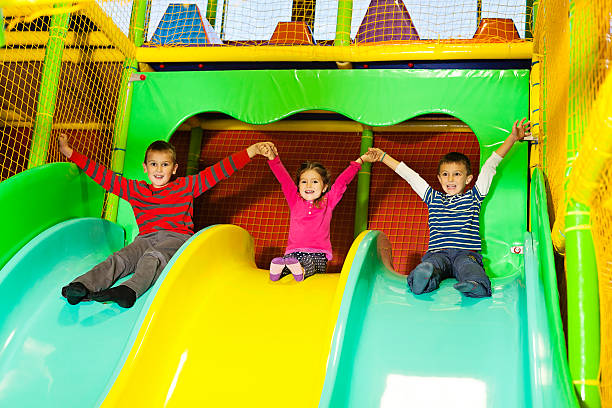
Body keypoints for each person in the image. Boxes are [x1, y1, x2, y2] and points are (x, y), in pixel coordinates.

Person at [58, 134, 276, 307]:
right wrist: (70, 153)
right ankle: (82, 285)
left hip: (176, 239)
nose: (159, 170)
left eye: (164, 165)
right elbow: (103, 176)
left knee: (154, 257)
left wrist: (252, 150)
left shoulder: (186, 186)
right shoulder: (136, 190)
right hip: (145, 238)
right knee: (120, 258)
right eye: (153, 164)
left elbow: (219, 171)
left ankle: (129, 290)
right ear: (145, 167)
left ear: (174, 168)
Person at [368, 118, 531, 298]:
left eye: (457, 174)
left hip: (466, 254)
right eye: (445, 174)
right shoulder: (433, 197)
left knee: (469, 268)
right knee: (431, 266)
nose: (450, 179)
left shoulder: (474, 196)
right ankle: (421, 280)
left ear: (468, 179)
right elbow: (410, 176)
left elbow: (489, 166)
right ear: (439, 178)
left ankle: (475, 285)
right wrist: (383, 157)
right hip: (439, 254)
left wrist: (512, 139)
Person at [266, 146, 378, 282]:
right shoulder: (294, 200)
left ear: (324, 187)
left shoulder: (328, 201)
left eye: (314, 181)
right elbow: (284, 179)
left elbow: (342, 182)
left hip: (317, 254)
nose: (308, 186)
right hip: (293, 252)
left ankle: (300, 270)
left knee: (308, 263)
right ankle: (277, 271)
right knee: (289, 262)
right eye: (304, 181)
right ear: (298, 186)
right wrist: (273, 159)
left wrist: (360, 161)